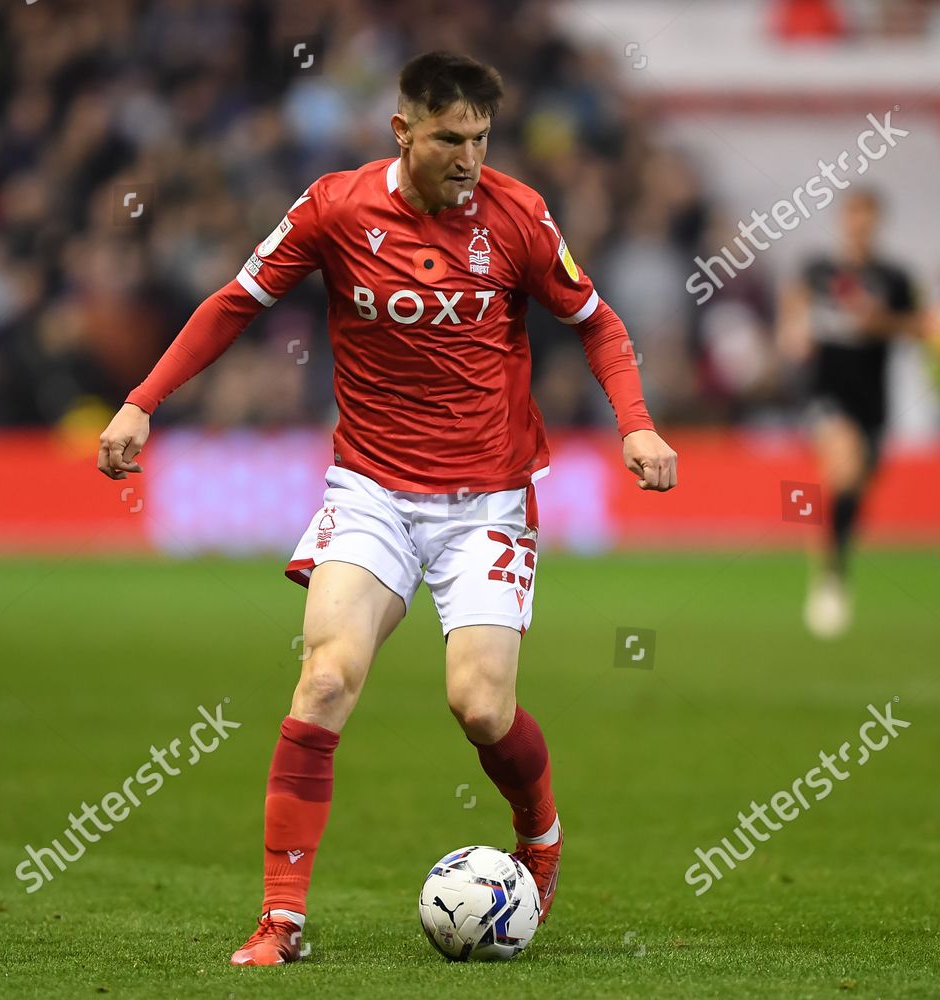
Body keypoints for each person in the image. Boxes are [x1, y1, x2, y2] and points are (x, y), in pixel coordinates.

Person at [96, 51, 678, 965]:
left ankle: (542, 835)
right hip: (370, 489)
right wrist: (142, 400)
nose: (470, 158)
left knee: (480, 707)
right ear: (402, 131)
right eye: (451, 138)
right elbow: (236, 303)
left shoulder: (519, 216)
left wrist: (636, 426)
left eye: (482, 139)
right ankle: (281, 921)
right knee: (325, 679)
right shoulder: (334, 206)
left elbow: (597, 322)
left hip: (488, 497)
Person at [778, 188, 918, 638]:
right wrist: (794, 330)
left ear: (877, 223)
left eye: (868, 218)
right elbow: (794, 306)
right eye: (854, 217)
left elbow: (917, 325)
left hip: (872, 399)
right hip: (826, 393)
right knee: (846, 458)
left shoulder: (894, 278)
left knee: (854, 483)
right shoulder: (820, 270)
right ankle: (831, 577)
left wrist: (882, 324)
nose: (860, 226)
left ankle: (831, 562)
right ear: (844, 221)